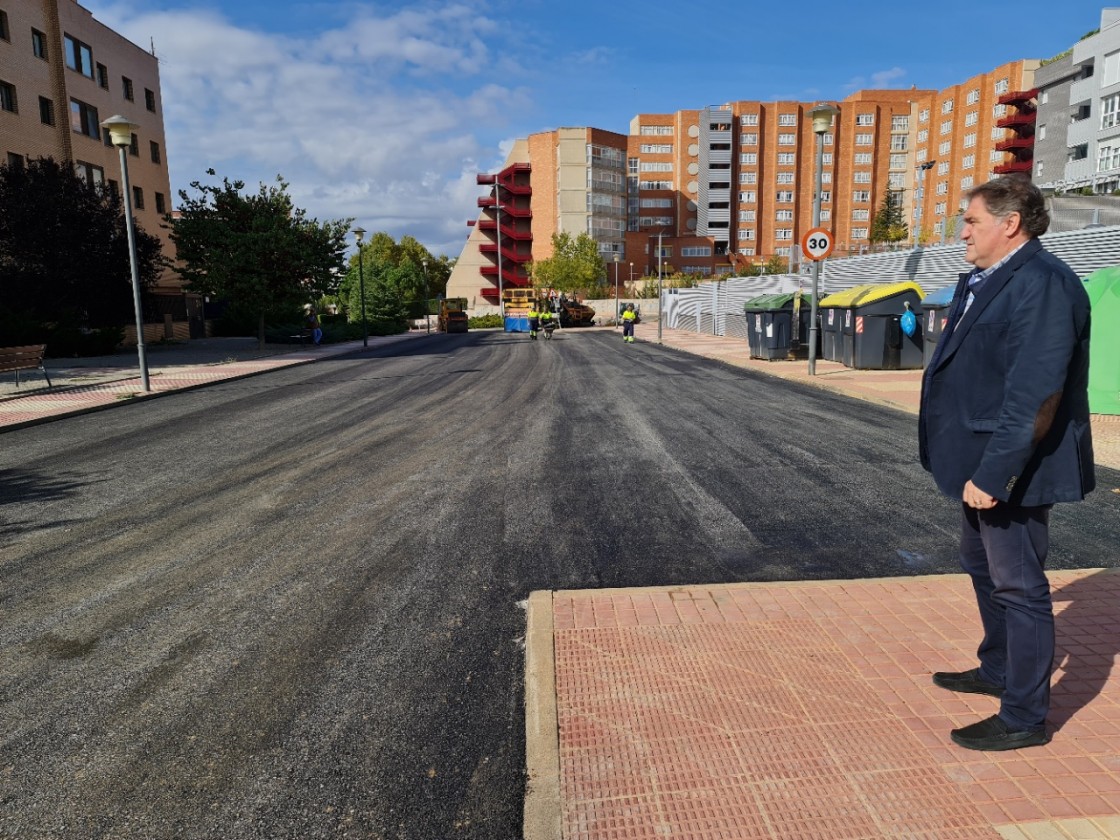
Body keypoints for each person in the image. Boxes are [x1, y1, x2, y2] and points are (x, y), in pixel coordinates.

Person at [919, 176, 1095, 751]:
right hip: (978, 458)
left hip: (1014, 466)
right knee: (978, 561)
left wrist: (996, 475)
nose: (961, 232)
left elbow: (1036, 395)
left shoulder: (1043, 284)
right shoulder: (990, 279)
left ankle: (1024, 716)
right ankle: (997, 668)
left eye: (970, 221)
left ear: (1009, 223)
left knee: (1020, 586)